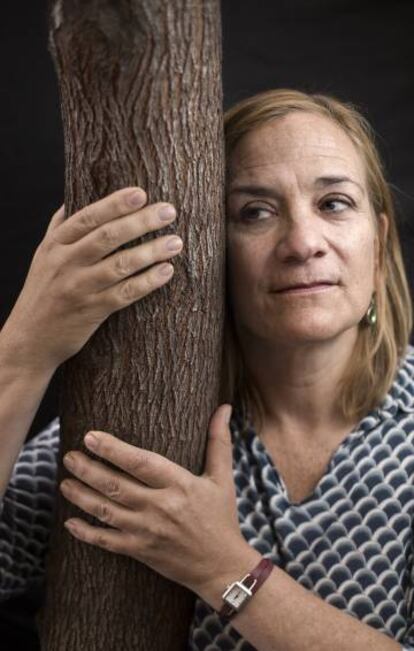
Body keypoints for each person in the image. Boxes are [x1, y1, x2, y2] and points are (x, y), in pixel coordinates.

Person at [0, 88, 413, 651]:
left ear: (380, 241)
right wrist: (24, 348)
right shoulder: (152, 424)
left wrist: (222, 568)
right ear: (214, 251)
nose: (302, 243)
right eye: (255, 212)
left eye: (334, 203)